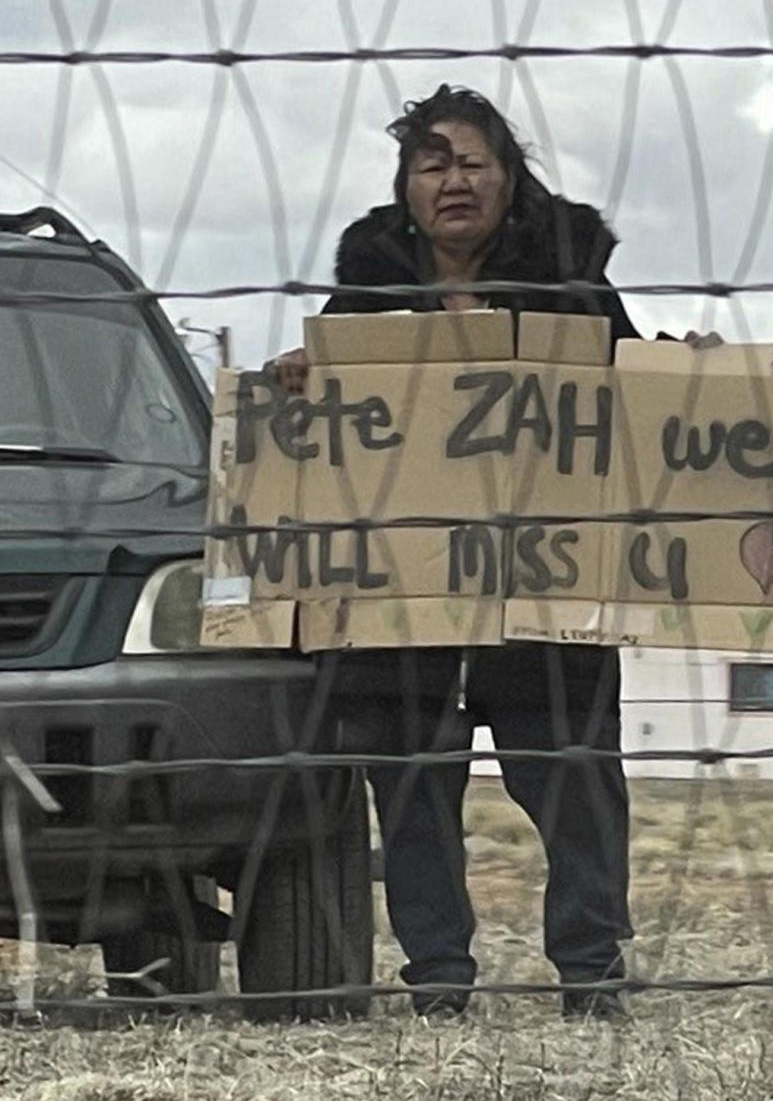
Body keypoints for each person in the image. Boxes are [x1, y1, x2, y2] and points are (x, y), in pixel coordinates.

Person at [276, 85, 636, 1018]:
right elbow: (327, 408)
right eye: (432, 164)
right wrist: (297, 377)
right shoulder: (365, 284)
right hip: (405, 600)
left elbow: (633, 395)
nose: (454, 181)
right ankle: (438, 979)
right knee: (411, 789)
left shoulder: (574, 277)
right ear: (406, 187)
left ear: (511, 181)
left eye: (474, 161)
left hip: (545, 592)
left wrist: (685, 370)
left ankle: (592, 976)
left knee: (573, 780)